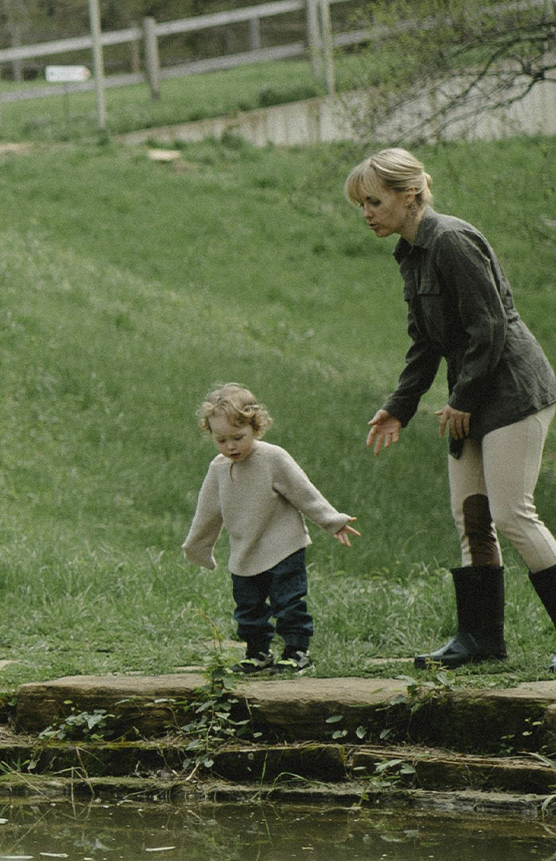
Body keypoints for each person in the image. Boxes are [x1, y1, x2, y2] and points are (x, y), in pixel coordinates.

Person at [352, 148, 556, 668]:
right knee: (471, 518)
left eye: (375, 201)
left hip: (511, 390)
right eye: (362, 205)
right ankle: (480, 641)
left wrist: (461, 399)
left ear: (410, 194)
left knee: (513, 514)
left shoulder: (452, 240)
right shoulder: (412, 252)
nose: (367, 213)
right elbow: (425, 340)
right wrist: (400, 406)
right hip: (470, 395)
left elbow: (488, 326)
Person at [184, 384, 358, 673]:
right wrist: (197, 548)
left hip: (284, 547)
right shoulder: (218, 469)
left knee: (288, 603)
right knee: (248, 608)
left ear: (255, 427)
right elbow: (207, 513)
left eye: (238, 438)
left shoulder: (272, 458)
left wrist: (332, 520)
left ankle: (297, 651)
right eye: (221, 440)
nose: (230, 446)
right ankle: (257, 653)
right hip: (245, 551)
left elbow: (304, 492)